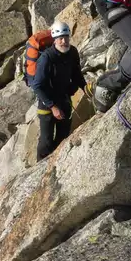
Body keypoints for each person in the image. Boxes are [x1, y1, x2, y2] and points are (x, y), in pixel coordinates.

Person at [29, 21, 86, 161]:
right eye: (60, 38)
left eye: (66, 37)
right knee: (46, 142)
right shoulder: (46, 58)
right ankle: (39, 168)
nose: (64, 41)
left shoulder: (72, 52)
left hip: (64, 99)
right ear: (54, 40)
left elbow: (77, 74)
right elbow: (37, 86)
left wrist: (86, 88)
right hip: (47, 103)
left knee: (63, 138)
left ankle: (57, 164)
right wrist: (53, 107)